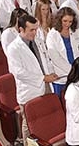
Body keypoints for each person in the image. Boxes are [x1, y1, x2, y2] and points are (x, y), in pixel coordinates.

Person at [6, 15, 58, 146]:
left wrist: (50, 72)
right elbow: (18, 72)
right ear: (21, 30)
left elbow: (46, 60)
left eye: (36, 29)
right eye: (31, 30)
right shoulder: (13, 48)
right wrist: (42, 78)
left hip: (45, 86)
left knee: (44, 119)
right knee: (28, 125)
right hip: (29, 90)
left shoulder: (38, 41)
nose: (35, 33)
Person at [46, 7, 79, 97]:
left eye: (70, 21)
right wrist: (72, 71)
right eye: (65, 21)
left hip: (77, 74)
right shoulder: (52, 35)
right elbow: (55, 57)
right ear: (59, 19)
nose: (67, 24)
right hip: (61, 77)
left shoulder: (76, 32)